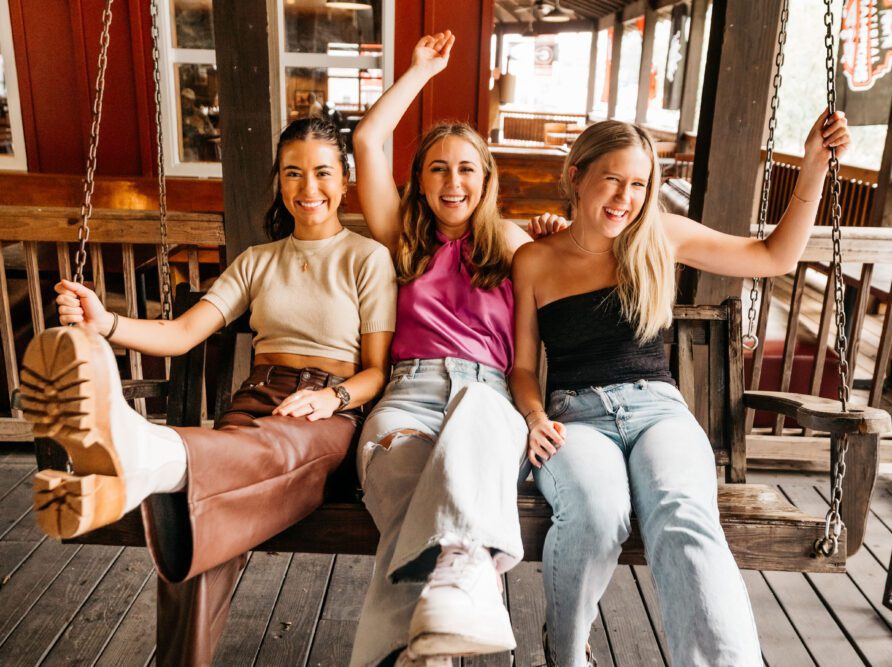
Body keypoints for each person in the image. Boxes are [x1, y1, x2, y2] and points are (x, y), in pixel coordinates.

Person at [20, 117, 397, 666]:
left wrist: (331, 399)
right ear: (279, 183)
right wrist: (106, 324)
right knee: (201, 518)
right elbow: (180, 334)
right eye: (293, 173)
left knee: (232, 466)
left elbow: (377, 372)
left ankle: (149, 453)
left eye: (321, 173)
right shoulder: (257, 262)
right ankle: (155, 465)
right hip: (254, 405)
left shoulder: (367, 258)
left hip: (323, 416)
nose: (307, 188)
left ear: (345, 182)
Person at [509, 109, 850, 667]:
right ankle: (566, 652)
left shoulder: (661, 236)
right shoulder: (535, 258)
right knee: (596, 515)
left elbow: (773, 257)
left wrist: (813, 166)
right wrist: (532, 416)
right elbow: (524, 368)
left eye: (640, 184)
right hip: (576, 416)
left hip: (657, 411)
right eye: (612, 179)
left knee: (683, 510)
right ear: (576, 176)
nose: (625, 197)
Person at [348, 31, 539, 667]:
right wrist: (419, 72)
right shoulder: (401, 239)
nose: (453, 182)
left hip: (487, 401)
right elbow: (367, 142)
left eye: (466, 168)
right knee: (406, 485)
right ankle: (434, 645)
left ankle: (404, 656)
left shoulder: (512, 244)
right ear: (420, 182)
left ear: (486, 180)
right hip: (409, 397)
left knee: (481, 416)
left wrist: (562, 236)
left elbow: (564, 305)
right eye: (438, 167)